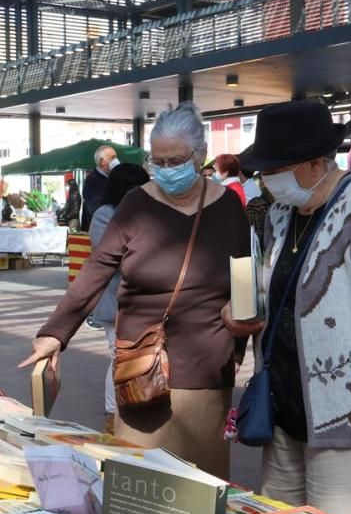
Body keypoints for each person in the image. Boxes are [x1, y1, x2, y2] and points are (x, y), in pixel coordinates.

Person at [22, 102, 249, 480]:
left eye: (175, 161)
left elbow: (244, 280)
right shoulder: (136, 204)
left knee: (200, 491)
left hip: (205, 370)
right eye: (156, 161)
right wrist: (54, 334)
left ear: (201, 155)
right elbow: (96, 270)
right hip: (140, 371)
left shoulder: (228, 207)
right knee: (139, 487)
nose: (165, 170)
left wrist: (238, 346)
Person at [232, 101, 351, 514]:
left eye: (278, 168)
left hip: (349, 416)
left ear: (317, 162)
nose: (267, 179)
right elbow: (272, 288)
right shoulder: (280, 215)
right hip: (284, 410)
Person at [88, 163, 150, 434]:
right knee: (119, 357)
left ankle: (133, 410)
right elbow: (113, 260)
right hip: (117, 302)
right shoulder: (106, 215)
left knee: (137, 357)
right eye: (133, 189)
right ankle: (113, 416)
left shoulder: (148, 212)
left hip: (145, 303)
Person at [81, 144, 118, 230]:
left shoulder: (114, 178)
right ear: (102, 162)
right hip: (100, 230)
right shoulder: (92, 181)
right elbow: (96, 209)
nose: (116, 160)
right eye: (113, 158)